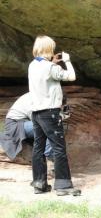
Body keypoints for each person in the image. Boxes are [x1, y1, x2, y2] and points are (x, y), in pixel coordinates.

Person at [28, 35, 80, 196]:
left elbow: (45, 74)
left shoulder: (33, 65)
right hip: (50, 112)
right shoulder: (50, 67)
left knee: (38, 148)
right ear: (49, 48)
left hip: (36, 112)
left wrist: (53, 63)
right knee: (59, 148)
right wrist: (67, 61)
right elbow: (71, 77)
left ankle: (39, 184)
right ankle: (63, 186)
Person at [0, 93, 53, 160]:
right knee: (48, 126)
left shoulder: (39, 96)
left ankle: (47, 157)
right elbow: (37, 119)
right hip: (16, 125)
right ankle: (49, 157)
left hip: (24, 123)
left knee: (49, 126)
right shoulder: (34, 97)